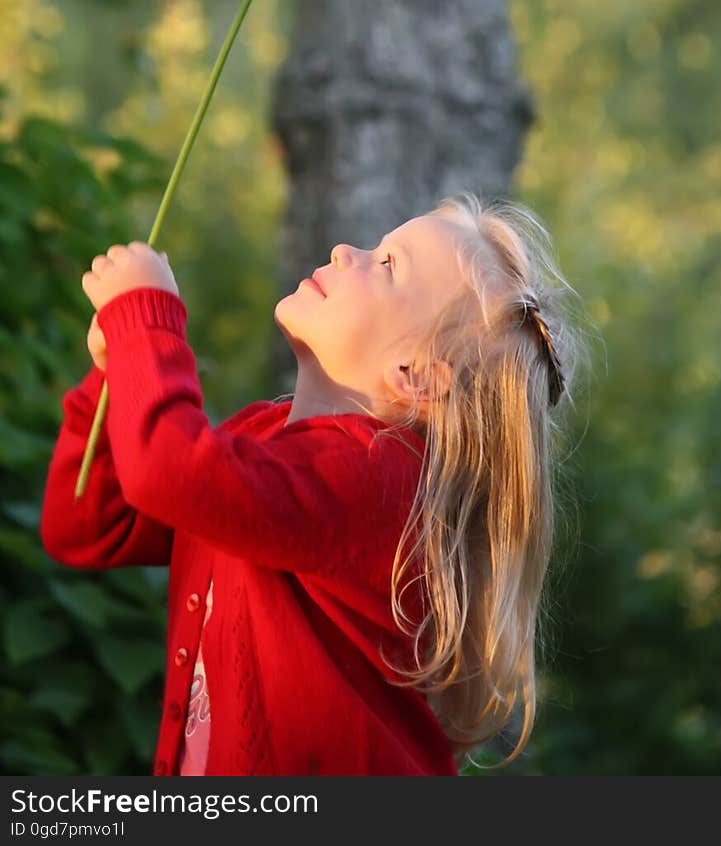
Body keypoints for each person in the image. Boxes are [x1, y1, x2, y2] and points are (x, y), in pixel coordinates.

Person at [40, 191, 590, 775]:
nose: (345, 250)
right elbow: (88, 526)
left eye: (387, 265)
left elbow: (169, 472)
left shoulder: (379, 479)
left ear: (415, 375)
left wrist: (147, 320)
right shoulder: (264, 439)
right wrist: (112, 376)